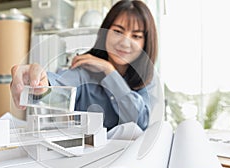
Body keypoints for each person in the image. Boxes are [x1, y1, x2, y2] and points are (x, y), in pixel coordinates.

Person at [10, 0, 159, 131]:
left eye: (136, 36)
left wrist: (110, 72)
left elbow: (140, 122)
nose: (125, 42)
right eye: (118, 31)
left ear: (146, 42)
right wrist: (39, 85)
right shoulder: (85, 69)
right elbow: (58, 88)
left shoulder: (147, 77)